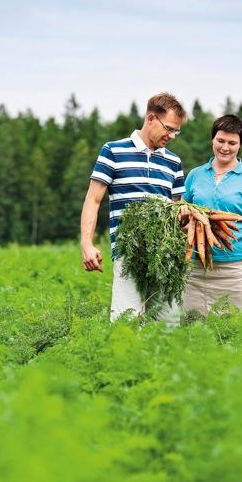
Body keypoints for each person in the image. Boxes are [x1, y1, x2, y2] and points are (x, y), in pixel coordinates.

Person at [80, 92, 187, 322]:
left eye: (176, 131)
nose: (172, 136)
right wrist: (87, 243)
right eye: (169, 128)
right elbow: (93, 200)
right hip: (128, 255)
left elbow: (178, 210)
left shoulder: (174, 162)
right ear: (151, 118)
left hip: (165, 258)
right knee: (125, 327)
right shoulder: (113, 151)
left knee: (167, 329)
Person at [182, 114, 242, 315]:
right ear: (212, 139)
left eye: (232, 143)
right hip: (198, 267)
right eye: (220, 140)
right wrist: (189, 219)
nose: (225, 147)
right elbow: (181, 218)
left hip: (238, 268)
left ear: (240, 145)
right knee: (193, 331)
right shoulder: (195, 175)